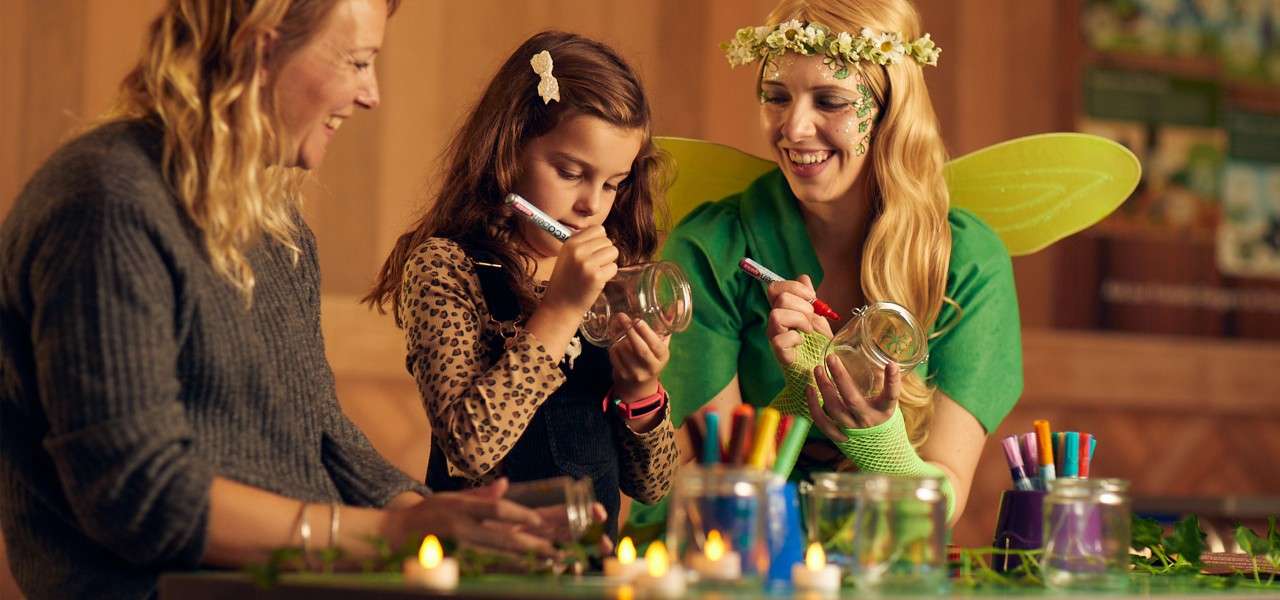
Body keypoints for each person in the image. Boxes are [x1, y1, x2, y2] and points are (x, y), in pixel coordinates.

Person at [0, 2, 576, 598]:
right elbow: (138, 492)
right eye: (357, 62)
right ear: (260, 48)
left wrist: (455, 527)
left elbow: (326, 436)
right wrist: (395, 531)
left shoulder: (277, 226)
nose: (370, 94)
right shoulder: (106, 200)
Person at [628, 0, 1023, 534]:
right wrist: (796, 398)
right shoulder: (713, 248)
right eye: (776, 97)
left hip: (879, 566)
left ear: (890, 112)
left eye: (831, 101)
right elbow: (715, 494)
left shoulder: (965, 260)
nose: (794, 127)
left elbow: (937, 506)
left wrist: (876, 440)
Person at [364, 31, 679, 539]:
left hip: (586, 571)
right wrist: (558, 313)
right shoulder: (448, 267)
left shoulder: (614, 277)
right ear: (509, 150)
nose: (592, 205)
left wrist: (639, 390)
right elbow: (468, 448)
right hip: (483, 568)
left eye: (613, 183)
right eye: (570, 172)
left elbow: (653, 485)